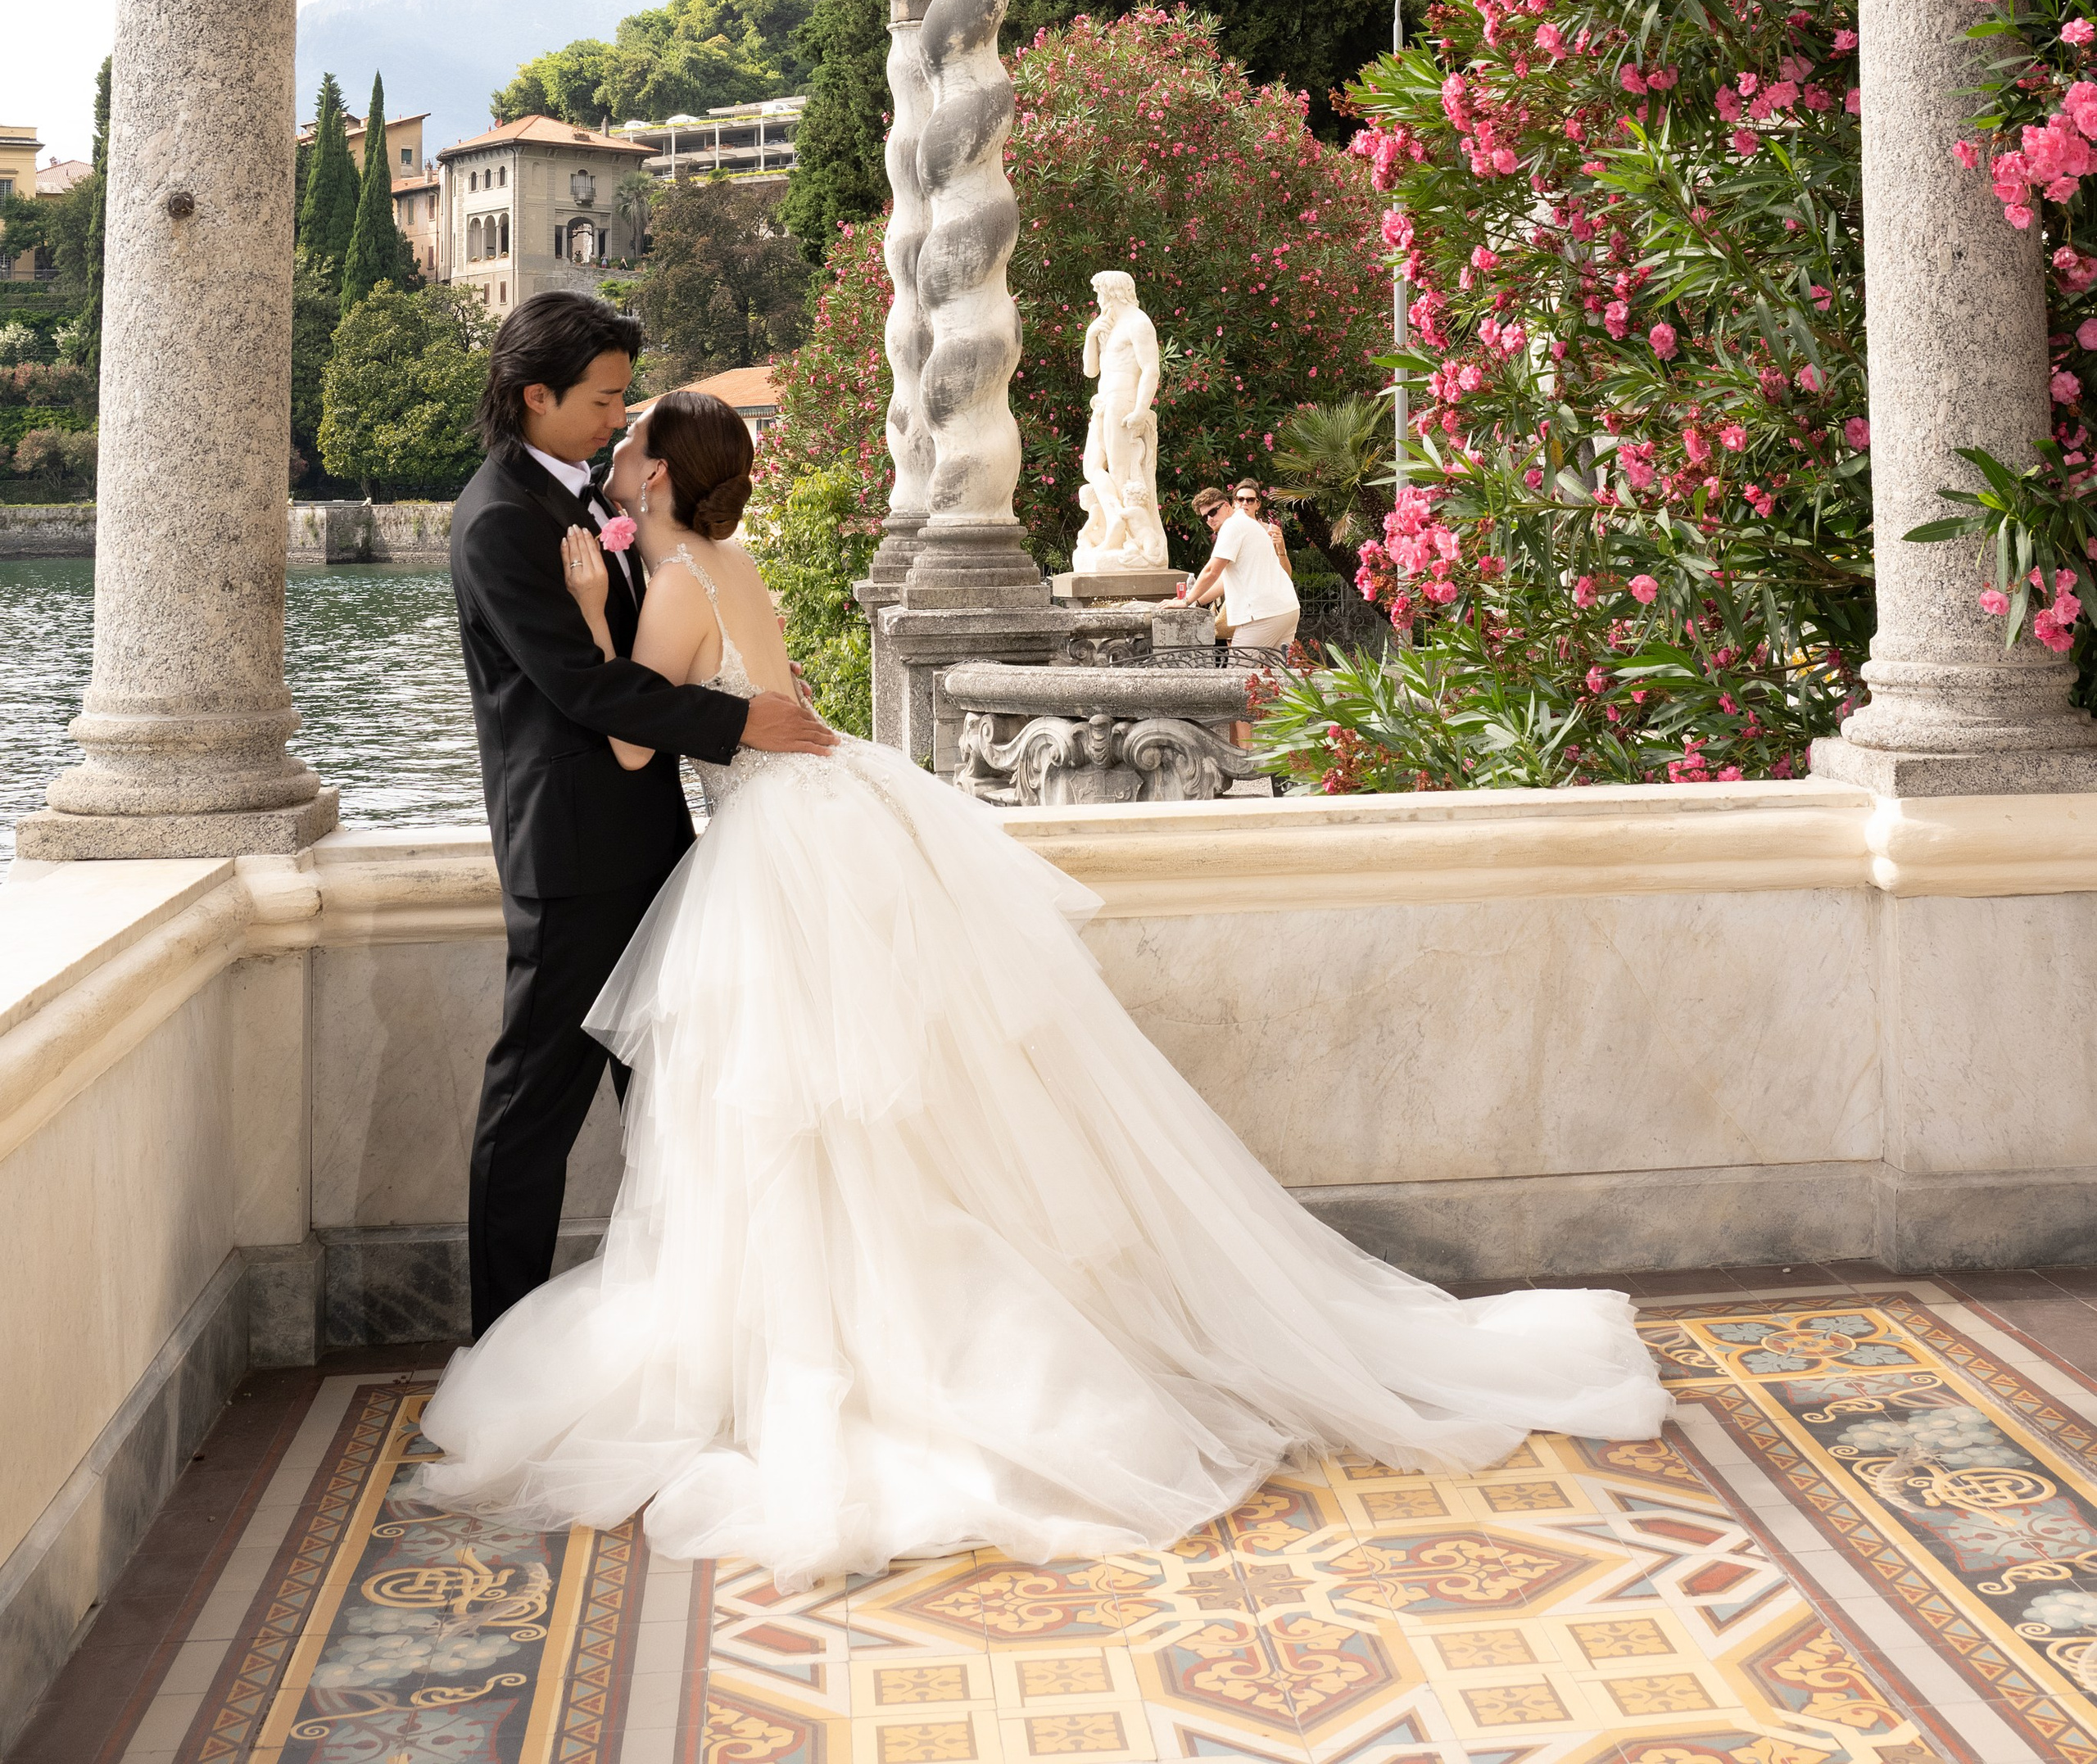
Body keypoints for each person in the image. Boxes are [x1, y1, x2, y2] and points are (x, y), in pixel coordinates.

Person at [419, 391, 1668, 1587]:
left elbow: (629, 735)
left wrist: (594, 615)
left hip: (769, 847)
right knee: (858, 1109)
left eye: (633, 436)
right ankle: (853, 1328)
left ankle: (816, 1345)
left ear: (657, 477)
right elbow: (749, 700)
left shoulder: (673, 580)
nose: (617, 450)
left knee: (792, 1110)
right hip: (824, 813)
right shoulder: (726, 567)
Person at [449, 301, 829, 1338]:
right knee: (534, 1106)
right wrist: (741, 720)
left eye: (627, 402)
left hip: (659, 845)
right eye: (606, 399)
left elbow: (647, 655)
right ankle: (500, 1338)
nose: (619, 419)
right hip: (573, 857)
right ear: (536, 396)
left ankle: (702, 1327)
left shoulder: (598, 501)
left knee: (678, 1103)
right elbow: (583, 687)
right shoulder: (498, 519)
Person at [1180, 482, 1302, 656]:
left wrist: (1185, 601)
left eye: (1213, 512)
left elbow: (1212, 571)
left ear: (1227, 506)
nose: (1210, 519)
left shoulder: (1232, 526)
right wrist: (1196, 602)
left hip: (1263, 614)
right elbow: (1224, 580)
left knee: (1239, 671)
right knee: (1276, 672)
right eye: (1205, 517)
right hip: (1287, 609)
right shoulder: (1248, 524)